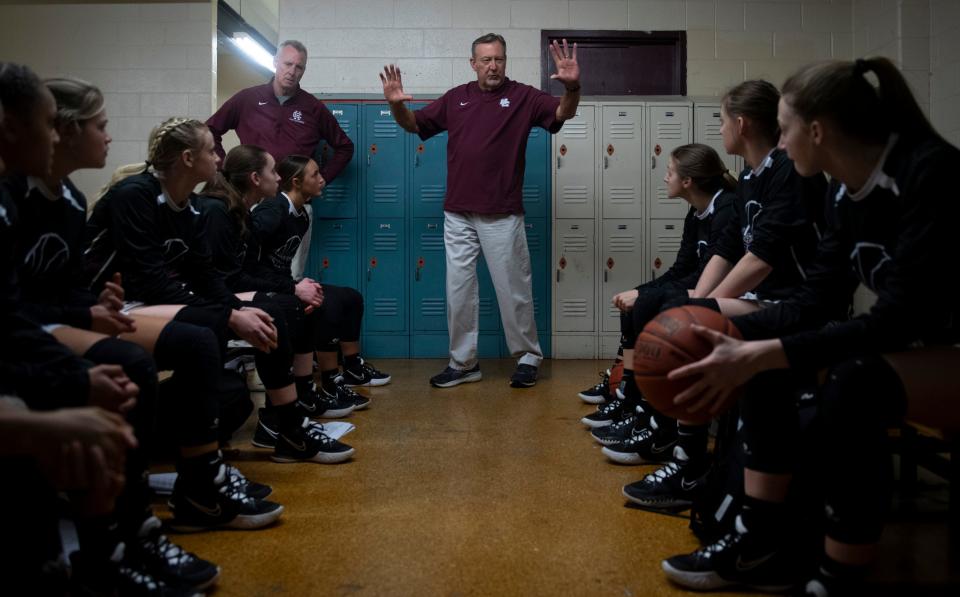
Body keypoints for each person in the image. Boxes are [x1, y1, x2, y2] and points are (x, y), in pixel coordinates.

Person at [659, 58, 960, 595]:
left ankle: (838, 577)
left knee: (855, 383)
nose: (781, 142)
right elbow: (816, 299)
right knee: (762, 346)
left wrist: (768, 352)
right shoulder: (845, 192)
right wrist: (745, 342)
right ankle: (763, 542)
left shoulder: (928, 173)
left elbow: (897, 320)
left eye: (786, 127)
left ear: (815, 131)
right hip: (918, 346)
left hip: (940, 348)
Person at [380, 33, 581, 388]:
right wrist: (396, 104)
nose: (493, 65)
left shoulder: (523, 97)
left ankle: (528, 356)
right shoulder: (456, 98)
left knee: (513, 290)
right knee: (458, 291)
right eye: (486, 59)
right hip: (458, 214)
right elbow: (414, 124)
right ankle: (463, 362)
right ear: (473, 63)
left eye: (499, 59)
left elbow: (562, 112)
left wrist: (573, 88)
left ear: (506, 61)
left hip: (502, 214)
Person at [194, 145, 360, 461]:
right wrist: (289, 289)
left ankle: (295, 407)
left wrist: (293, 287)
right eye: (273, 171)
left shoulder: (237, 210)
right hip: (209, 296)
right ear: (256, 178)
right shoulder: (221, 211)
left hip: (228, 290)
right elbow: (225, 278)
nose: (278, 177)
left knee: (299, 306)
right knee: (281, 309)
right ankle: (281, 424)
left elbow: (242, 271)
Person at [584, 144, 736, 455]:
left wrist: (645, 296)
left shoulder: (726, 209)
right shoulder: (695, 212)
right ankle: (629, 390)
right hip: (701, 287)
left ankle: (653, 415)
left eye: (669, 172)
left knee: (648, 302)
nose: (664, 178)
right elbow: (682, 268)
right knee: (637, 302)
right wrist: (642, 291)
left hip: (724, 293)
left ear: (688, 181)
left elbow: (710, 275)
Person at [207, 39, 354, 278]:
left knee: (291, 275)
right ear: (275, 62)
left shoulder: (312, 107)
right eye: (288, 64)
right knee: (246, 268)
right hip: (253, 201)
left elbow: (345, 146)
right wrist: (226, 168)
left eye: (299, 67)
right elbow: (210, 130)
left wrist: (323, 178)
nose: (292, 72)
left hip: (295, 204)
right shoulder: (248, 99)